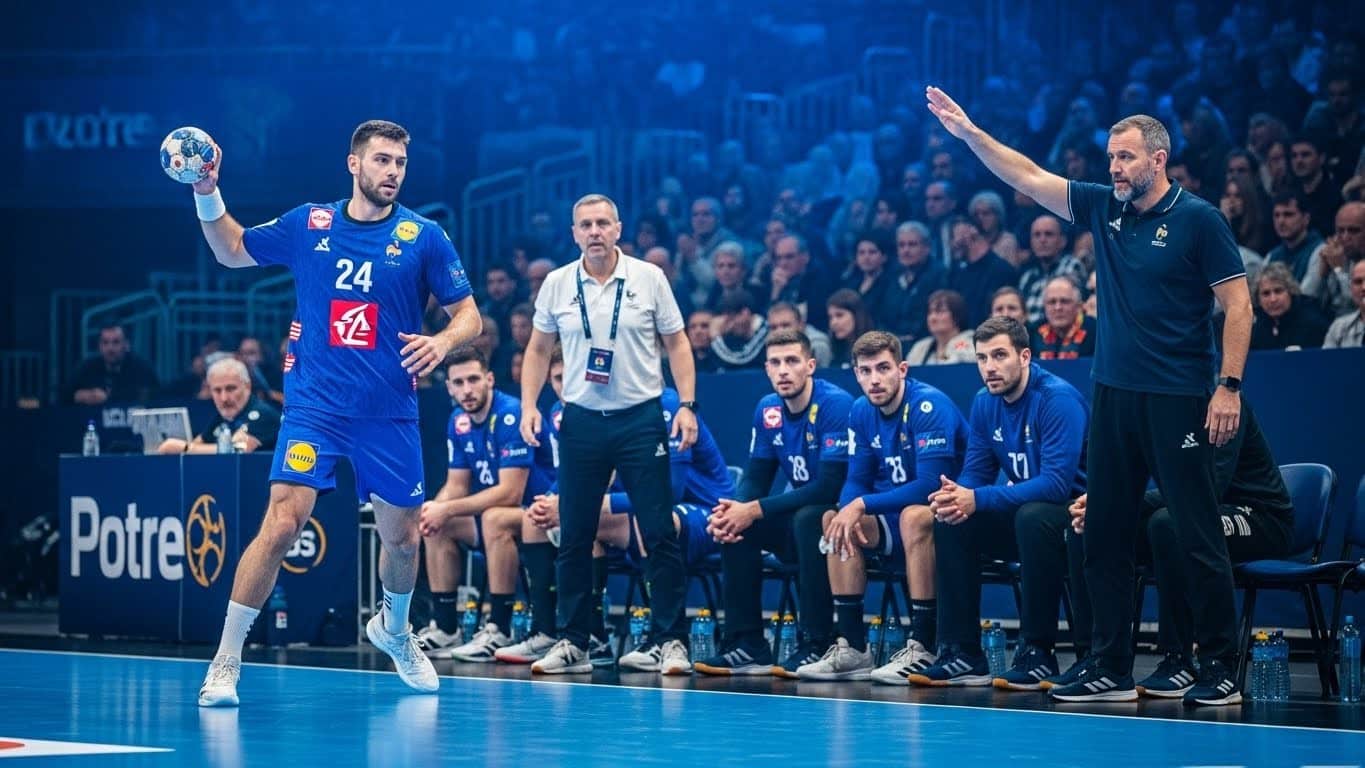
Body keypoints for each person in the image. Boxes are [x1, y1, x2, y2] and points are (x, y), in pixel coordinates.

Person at [928, 87, 1253, 706]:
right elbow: (1026, 175)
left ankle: (1219, 666)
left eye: (1125, 158)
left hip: (1179, 396)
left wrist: (1228, 387)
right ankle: (1108, 664)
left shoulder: (1199, 220)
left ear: (1158, 159)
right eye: (1110, 158)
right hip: (1114, 396)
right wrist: (970, 134)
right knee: (1100, 531)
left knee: (1194, 532)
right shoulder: (1106, 209)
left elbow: (1237, 306)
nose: (1114, 169)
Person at [192, 119, 481, 706]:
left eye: (400, 162)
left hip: (390, 412)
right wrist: (206, 188)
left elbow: (469, 316)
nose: (392, 171)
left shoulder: (424, 236)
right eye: (381, 160)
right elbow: (229, 249)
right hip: (315, 409)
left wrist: (442, 343)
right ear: (354, 164)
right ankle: (225, 660)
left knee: (402, 541)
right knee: (281, 524)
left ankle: (394, 631)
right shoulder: (309, 223)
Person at [519, 193, 699, 676]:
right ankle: (574, 641)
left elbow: (678, 342)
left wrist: (686, 405)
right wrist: (531, 405)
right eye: (585, 225)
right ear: (574, 233)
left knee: (659, 531)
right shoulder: (557, 284)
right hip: (580, 421)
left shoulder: (649, 278)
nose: (594, 231)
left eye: (603, 223)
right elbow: (538, 350)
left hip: (641, 417)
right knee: (574, 534)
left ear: (618, 228)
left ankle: (671, 640)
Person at [1059, 400, 1292, 698]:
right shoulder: (1157, 408)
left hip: (1261, 518)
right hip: (1196, 512)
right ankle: (1097, 658)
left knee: (1168, 524)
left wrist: (1122, 502)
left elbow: (1207, 489)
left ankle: (1181, 659)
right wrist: (1106, 503)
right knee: (1096, 523)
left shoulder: (1226, 407)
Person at [910, 317, 1087, 689]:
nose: (989, 367)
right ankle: (962, 652)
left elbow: (1056, 486)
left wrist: (978, 497)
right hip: (1025, 512)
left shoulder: (1057, 398)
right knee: (952, 520)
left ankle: (1037, 652)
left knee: (1033, 517)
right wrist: (956, 496)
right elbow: (976, 472)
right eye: (982, 358)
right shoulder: (984, 402)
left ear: (1024, 356)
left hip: (1076, 517)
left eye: (1000, 355)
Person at [796, 331, 968, 681]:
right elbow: (857, 477)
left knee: (912, 515)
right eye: (866, 371)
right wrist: (849, 509)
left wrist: (860, 504)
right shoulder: (860, 410)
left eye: (883, 368)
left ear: (901, 369)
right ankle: (853, 649)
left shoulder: (928, 406)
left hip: (949, 515)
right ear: (856, 374)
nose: (874, 379)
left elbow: (928, 484)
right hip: (893, 515)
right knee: (834, 519)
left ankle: (924, 644)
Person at [696, 330, 853, 677]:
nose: (784, 370)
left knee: (808, 518)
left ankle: (818, 642)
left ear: (810, 365)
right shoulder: (767, 409)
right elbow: (755, 476)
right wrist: (734, 511)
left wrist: (753, 509)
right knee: (740, 528)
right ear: (766, 368)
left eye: (792, 361)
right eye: (776, 363)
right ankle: (746, 642)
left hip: (840, 521)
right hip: (799, 521)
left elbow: (828, 487)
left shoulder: (835, 405)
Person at [414, 347, 554, 660]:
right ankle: (445, 628)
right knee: (437, 524)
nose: (467, 390)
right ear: (448, 387)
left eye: (473, 380)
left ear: (489, 379)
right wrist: (432, 511)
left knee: (494, 517)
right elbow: (456, 486)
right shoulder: (458, 421)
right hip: (501, 513)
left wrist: (447, 508)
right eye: (459, 383)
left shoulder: (511, 413)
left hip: (543, 515)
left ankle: (499, 629)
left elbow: (510, 494)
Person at [156, 357, 280, 455]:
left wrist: (185, 448)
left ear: (247, 386)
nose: (224, 398)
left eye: (231, 388)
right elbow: (199, 443)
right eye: (217, 390)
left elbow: (238, 450)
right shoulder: (223, 417)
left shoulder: (263, 414)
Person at [65, 324, 159, 405]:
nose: (110, 348)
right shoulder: (87, 367)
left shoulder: (142, 369)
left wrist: (109, 398)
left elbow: (151, 398)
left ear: (126, 345)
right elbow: (64, 395)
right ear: (99, 346)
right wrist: (81, 396)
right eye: (105, 342)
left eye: (116, 342)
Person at [906, 289, 975, 366]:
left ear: (957, 316)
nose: (933, 318)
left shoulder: (972, 345)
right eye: (930, 312)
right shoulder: (920, 348)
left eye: (940, 311)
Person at [1323, 259, 1365, 348]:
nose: (1363, 287)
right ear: (1351, 288)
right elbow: (1326, 361)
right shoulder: (1338, 328)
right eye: (1358, 282)